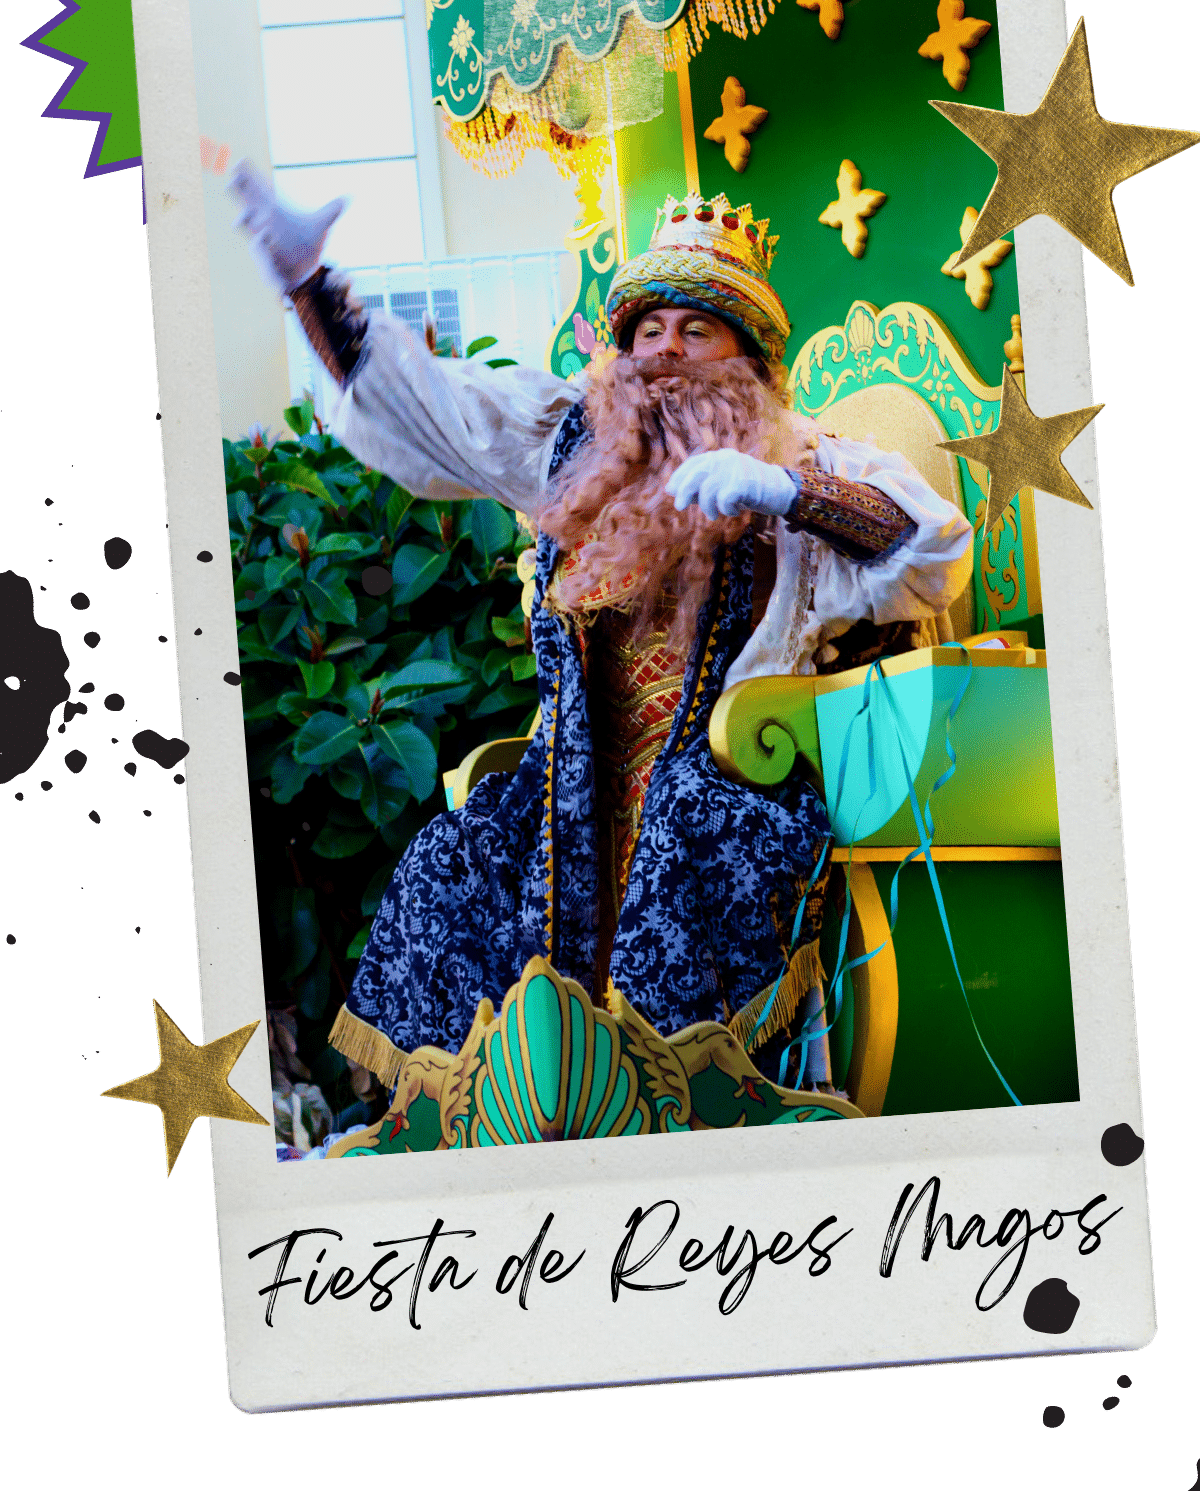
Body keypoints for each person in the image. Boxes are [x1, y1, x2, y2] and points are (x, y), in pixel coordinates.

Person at [232, 167, 974, 1090]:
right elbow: (431, 414)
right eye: (647, 331)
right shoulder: (569, 448)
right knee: (451, 863)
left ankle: (679, 1116)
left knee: (685, 863)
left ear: (748, 358)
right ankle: (495, 1117)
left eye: (696, 331)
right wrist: (310, 282)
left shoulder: (814, 460)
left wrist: (791, 494)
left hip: (729, 779)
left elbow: (933, 553)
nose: (664, 353)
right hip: (570, 784)